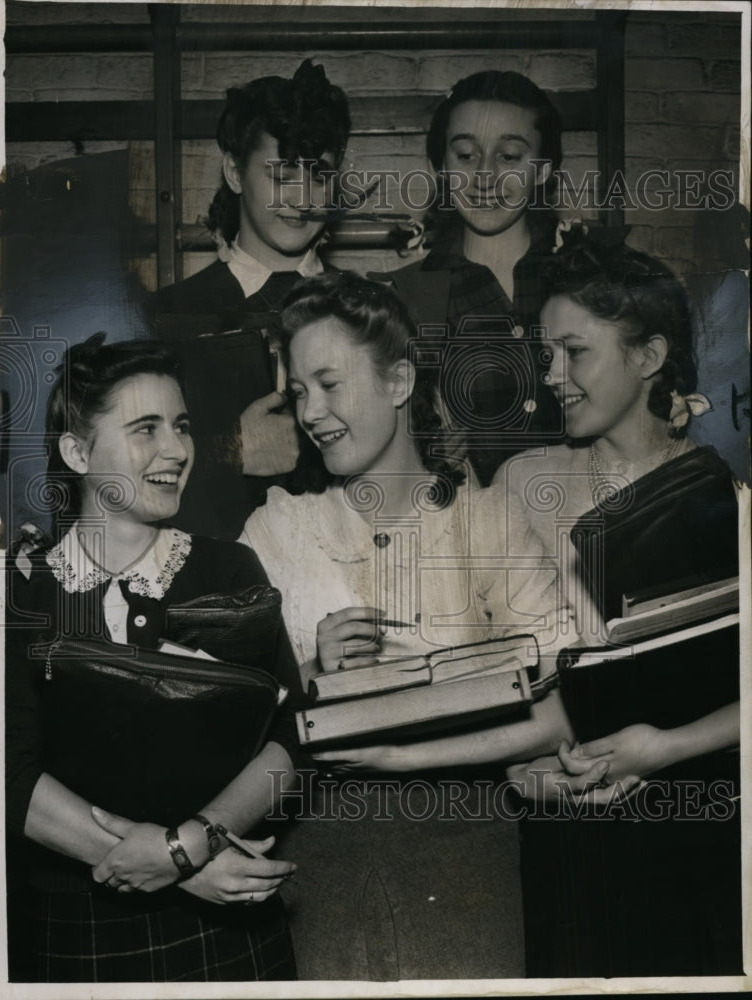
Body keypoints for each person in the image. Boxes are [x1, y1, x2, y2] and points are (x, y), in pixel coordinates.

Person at [241, 271, 575, 980]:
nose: (313, 411)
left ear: (398, 382)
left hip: (465, 847)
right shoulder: (277, 529)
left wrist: (400, 758)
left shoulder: (485, 520)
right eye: (300, 391)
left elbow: (558, 719)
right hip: (317, 854)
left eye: (330, 384)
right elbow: (230, 720)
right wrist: (304, 675)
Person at [5, 335, 302, 983]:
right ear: (78, 451)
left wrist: (193, 843)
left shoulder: (231, 567)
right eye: (146, 429)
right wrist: (179, 869)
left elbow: (293, 738)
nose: (176, 450)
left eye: (182, 426)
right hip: (82, 931)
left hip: (232, 923)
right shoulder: (26, 590)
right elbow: (7, 770)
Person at [499, 228, 742, 977]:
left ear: (649, 358)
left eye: (575, 352)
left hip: (702, 824)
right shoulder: (519, 485)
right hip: (563, 841)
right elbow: (497, 675)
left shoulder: (723, 499)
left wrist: (664, 748)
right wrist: (523, 775)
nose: (552, 377)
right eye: (547, 354)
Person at [145, 59, 351, 538]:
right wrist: (229, 452)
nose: (301, 200)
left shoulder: (368, 310)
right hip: (210, 585)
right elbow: (118, 479)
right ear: (234, 173)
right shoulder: (163, 317)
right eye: (281, 177)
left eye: (319, 177)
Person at [380, 70, 566, 486]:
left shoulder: (584, 277)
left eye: (510, 156)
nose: (484, 176)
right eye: (465, 155)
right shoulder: (407, 299)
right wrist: (429, 446)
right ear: (440, 168)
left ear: (542, 171)